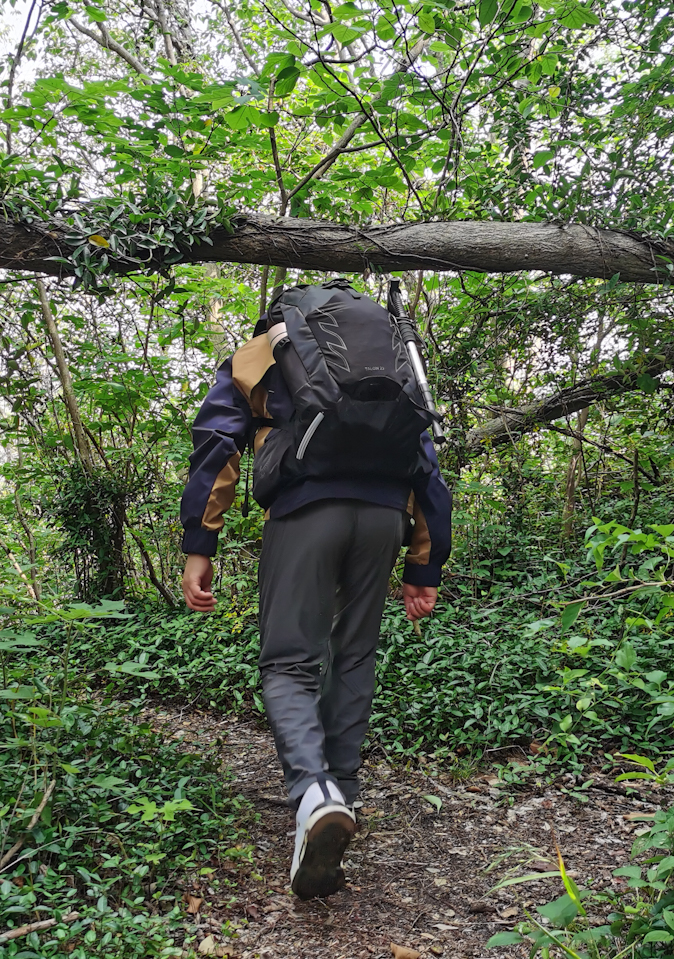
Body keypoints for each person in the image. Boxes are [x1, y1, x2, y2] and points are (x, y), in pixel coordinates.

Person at [179, 284, 452, 900]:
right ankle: (342, 796)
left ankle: (313, 792)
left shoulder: (266, 348)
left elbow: (218, 438)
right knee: (354, 655)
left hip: (305, 509)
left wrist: (202, 541)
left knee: (287, 662)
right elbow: (426, 457)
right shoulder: (392, 352)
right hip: (386, 515)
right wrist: (424, 565)